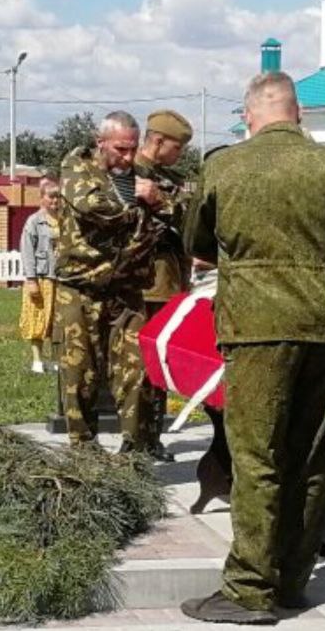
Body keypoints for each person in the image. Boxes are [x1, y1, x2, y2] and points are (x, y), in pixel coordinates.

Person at [180, 72, 325, 625]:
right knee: (312, 455)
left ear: (250, 115)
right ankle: (292, 581)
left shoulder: (224, 166)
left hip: (255, 327)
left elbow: (197, 242)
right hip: (323, 322)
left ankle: (249, 590)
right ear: (299, 115)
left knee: (256, 457)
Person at [54, 110, 173, 461]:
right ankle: (84, 454)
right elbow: (96, 208)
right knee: (80, 375)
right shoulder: (77, 168)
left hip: (126, 292)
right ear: (100, 142)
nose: (128, 157)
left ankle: (134, 453)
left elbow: (182, 207)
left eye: (133, 149)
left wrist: (158, 200)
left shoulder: (143, 176)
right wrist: (144, 212)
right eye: (120, 149)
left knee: (138, 373)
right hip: (81, 289)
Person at [135, 109, 196, 461]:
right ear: (157, 141)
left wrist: (165, 202)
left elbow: (189, 221)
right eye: (177, 147)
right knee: (138, 369)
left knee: (159, 367)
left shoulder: (167, 180)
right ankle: (136, 438)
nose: (180, 154)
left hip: (170, 283)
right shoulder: (129, 176)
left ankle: (151, 437)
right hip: (143, 285)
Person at [18, 178, 61, 373]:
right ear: (42, 198)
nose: (55, 201)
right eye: (51, 197)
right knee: (38, 317)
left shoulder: (66, 220)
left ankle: (55, 360)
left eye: (58, 197)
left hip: (61, 278)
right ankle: (37, 360)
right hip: (41, 278)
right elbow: (27, 251)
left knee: (57, 321)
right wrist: (31, 279)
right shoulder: (34, 221)